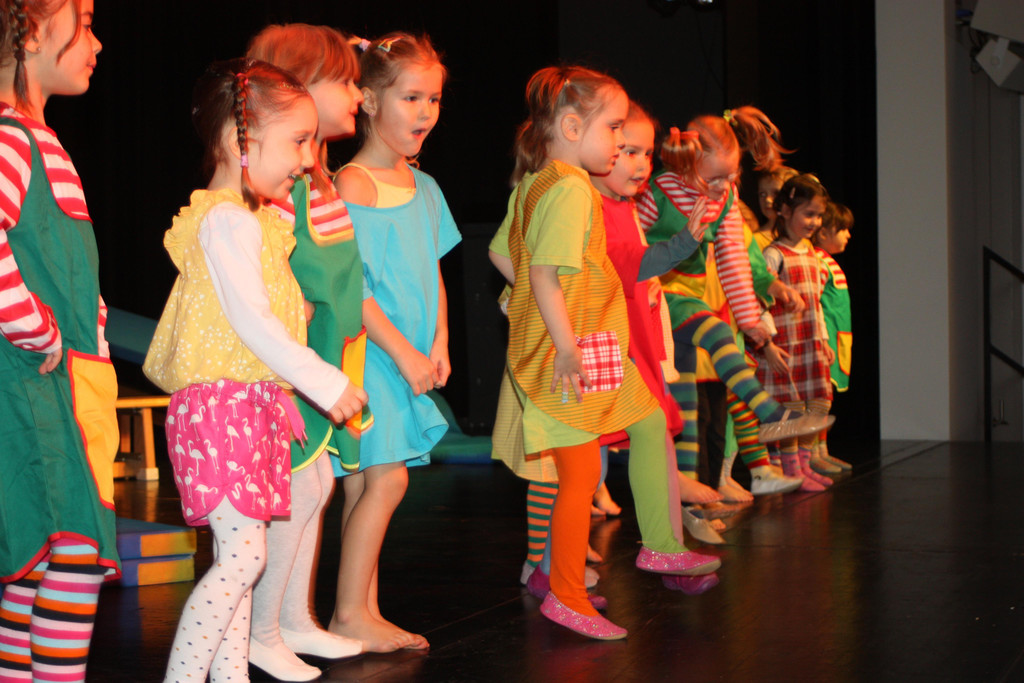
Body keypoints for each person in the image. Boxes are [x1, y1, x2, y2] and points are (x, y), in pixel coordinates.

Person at [143, 58, 367, 682]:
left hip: (246, 407)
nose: (307, 159)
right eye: (297, 141)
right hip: (221, 411)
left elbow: (260, 319)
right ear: (239, 140)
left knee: (245, 553)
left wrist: (289, 381)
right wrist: (324, 381)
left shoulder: (255, 222)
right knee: (242, 558)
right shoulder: (226, 221)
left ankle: (230, 674)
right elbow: (251, 321)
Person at [490, 65, 722, 641]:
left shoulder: (534, 184)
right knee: (578, 475)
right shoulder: (571, 189)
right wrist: (563, 343)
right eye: (614, 127)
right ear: (572, 128)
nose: (620, 141)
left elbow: (501, 253)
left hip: (590, 343)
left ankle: (661, 545)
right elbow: (543, 273)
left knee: (647, 421)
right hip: (570, 352)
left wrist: (532, 306)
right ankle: (566, 595)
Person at [328, 32, 459, 653]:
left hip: (406, 355)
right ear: (370, 100)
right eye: (411, 97)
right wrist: (403, 352)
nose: (425, 111)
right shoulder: (353, 183)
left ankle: (362, 610)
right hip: (370, 354)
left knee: (366, 484)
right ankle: (348, 614)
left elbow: (432, 270)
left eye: (433, 98)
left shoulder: (424, 187)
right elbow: (351, 287)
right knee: (387, 480)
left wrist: (439, 340)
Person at [245, 23, 367, 680]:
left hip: (327, 357)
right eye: (343, 81)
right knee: (295, 486)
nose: (357, 94)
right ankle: (261, 631)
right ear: (294, 88)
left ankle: (293, 619)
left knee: (316, 484)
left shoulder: (318, 179)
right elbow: (270, 270)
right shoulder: (283, 187)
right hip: (295, 366)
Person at [0, 2, 115, 681]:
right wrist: (35, 326)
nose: (97, 43)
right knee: (73, 549)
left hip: (68, 381)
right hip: (36, 381)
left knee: (39, 558)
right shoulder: (11, 138)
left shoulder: (38, 138)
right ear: (35, 31)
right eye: (87, 22)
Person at [636, 111, 827, 499]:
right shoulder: (658, 194)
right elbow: (630, 245)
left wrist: (751, 318)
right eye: (715, 178)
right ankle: (769, 411)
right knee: (716, 330)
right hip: (654, 296)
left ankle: (691, 505)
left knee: (687, 411)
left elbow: (734, 258)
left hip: (685, 300)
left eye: (733, 176)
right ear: (687, 164)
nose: (725, 185)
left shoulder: (724, 199)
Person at [756, 174, 835, 491]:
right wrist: (767, 344)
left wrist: (824, 339)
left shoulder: (813, 253)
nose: (815, 222)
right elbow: (760, 300)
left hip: (810, 342)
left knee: (818, 403)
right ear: (786, 211)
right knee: (789, 409)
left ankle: (804, 463)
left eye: (818, 215)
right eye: (808, 214)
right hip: (785, 344)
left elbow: (816, 302)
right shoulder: (774, 254)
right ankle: (792, 470)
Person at [810, 200, 854, 471]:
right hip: (824, 341)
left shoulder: (829, 262)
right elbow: (814, 303)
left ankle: (822, 450)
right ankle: (813, 453)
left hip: (838, 339)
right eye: (843, 229)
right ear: (824, 232)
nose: (848, 235)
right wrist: (821, 339)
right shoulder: (817, 261)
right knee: (818, 397)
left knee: (825, 397)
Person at [753, 165, 798, 251]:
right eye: (762, 194)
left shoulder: (800, 237)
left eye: (776, 193)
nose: (767, 199)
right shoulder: (755, 240)